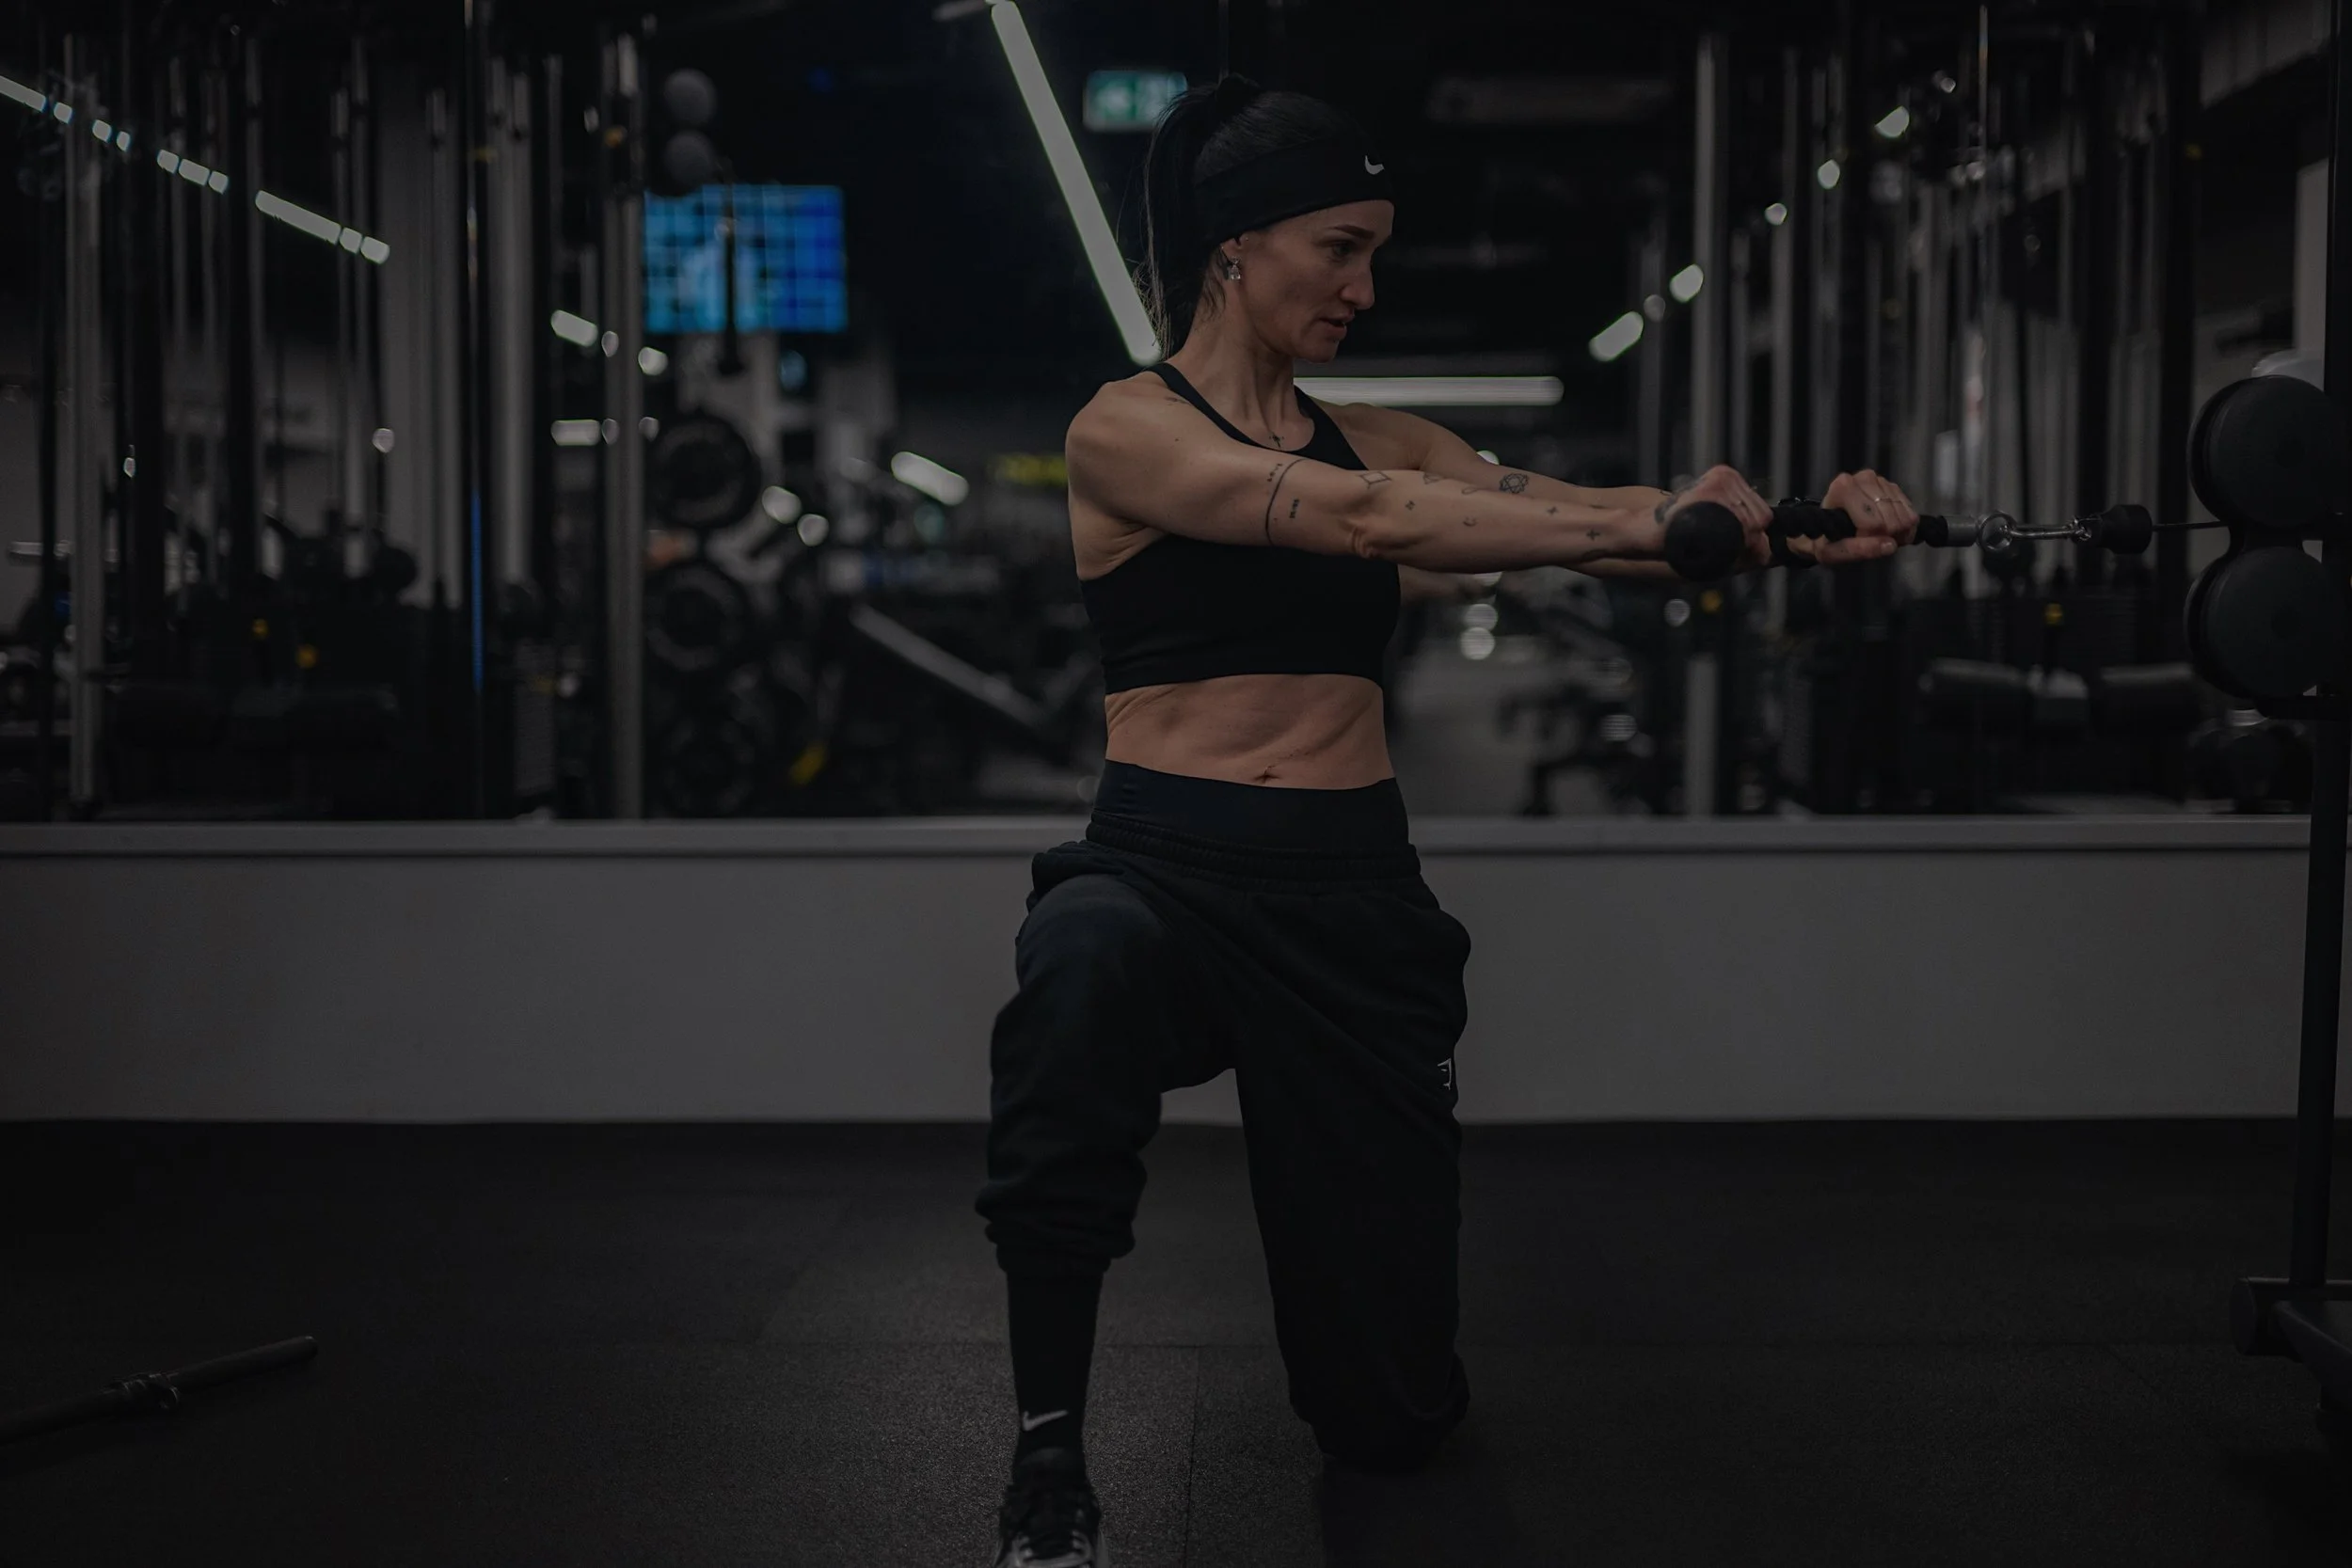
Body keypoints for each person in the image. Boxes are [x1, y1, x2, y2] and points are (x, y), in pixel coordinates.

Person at [976, 72, 1919, 1567]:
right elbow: (1372, 527)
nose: (1366, 283)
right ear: (1234, 244)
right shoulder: (1128, 429)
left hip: (1347, 890)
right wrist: (1643, 523)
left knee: (1392, 1420)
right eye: (1338, 247)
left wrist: (1790, 526)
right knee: (1074, 979)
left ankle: (1384, 1375)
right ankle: (1046, 1456)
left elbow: (1564, 517)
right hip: (1162, 864)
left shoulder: (1391, 434)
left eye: (1376, 252)